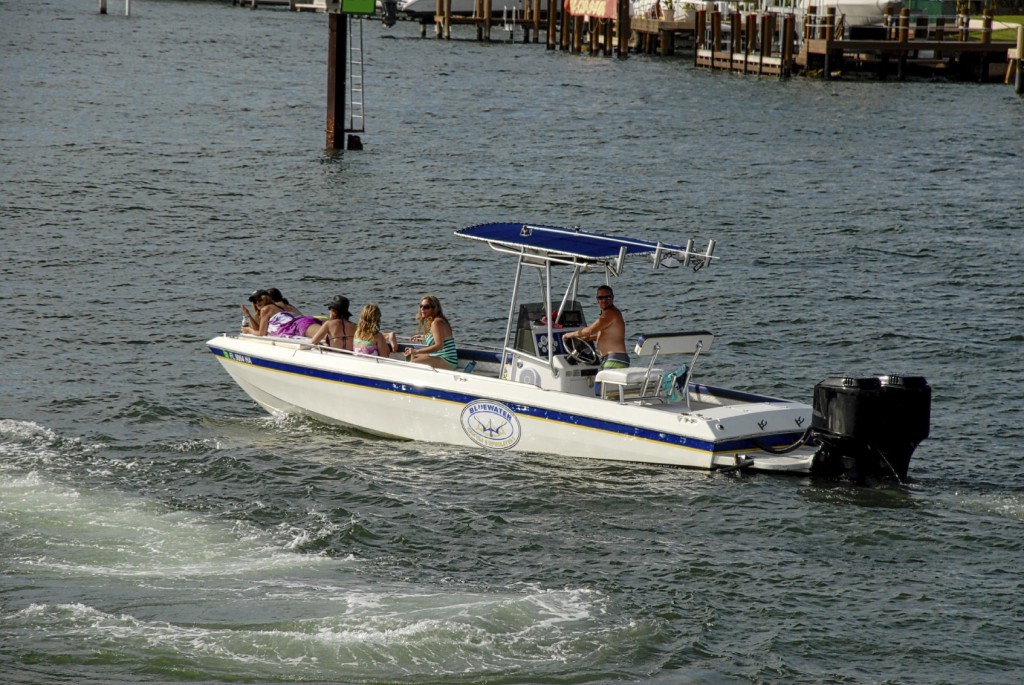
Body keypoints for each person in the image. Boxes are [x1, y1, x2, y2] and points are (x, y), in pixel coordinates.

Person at [562, 285, 629, 369]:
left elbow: (590, 330)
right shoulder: (613, 313)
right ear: (597, 300)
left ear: (612, 297)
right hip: (615, 359)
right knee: (598, 382)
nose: (604, 300)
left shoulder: (610, 314)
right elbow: (608, 336)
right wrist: (589, 339)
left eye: (607, 297)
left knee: (598, 382)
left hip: (614, 360)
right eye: (601, 298)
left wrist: (569, 335)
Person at [403, 295, 457, 370]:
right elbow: (437, 336)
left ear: (434, 308)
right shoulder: (437, 320)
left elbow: (439, 346)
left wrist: (416, 351)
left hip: (447, 359)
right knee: (412, 356)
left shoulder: (436, 322)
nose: (422, 309)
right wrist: (422, 337)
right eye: (421, 306)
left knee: (413, 363)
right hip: (439, 356)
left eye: (426, 307)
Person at [243, 291, 322, 339]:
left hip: (297, 326)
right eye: (254, 301)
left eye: (259, 300)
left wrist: (249, 330)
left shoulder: (266, 309)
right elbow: (259, 329)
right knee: (328, 336)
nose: (257, 303)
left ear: (265, 299)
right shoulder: (272, 308)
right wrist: (248, 315)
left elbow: (261, 333)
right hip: (297, 326)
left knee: (328, 336)